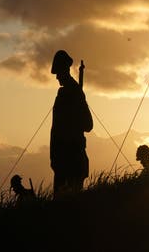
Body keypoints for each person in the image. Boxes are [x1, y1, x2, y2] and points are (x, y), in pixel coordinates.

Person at [50, 49, 93, 198]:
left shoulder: (75, 93)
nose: (56, 77)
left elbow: (88, 125)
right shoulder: (64, 94)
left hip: (72, 161)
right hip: (62, 161)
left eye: (58, 73)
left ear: (64, 71)